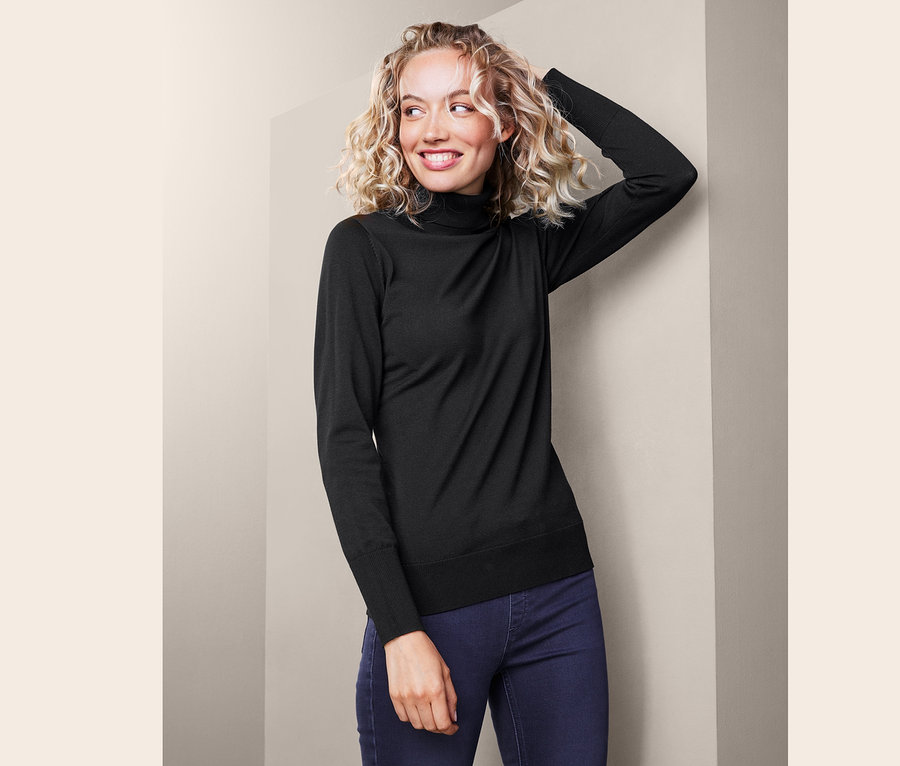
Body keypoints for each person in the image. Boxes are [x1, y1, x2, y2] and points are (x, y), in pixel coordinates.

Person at [313, 20, 697, 766]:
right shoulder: (362, 250)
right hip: (430, 607)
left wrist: (537, 83)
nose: (432, 129)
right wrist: (398, 628)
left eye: (461, 104)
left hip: (558, 592)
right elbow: (344, 443)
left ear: (504, 121)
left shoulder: (527, 245)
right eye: (413, 108)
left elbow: (664, 175)